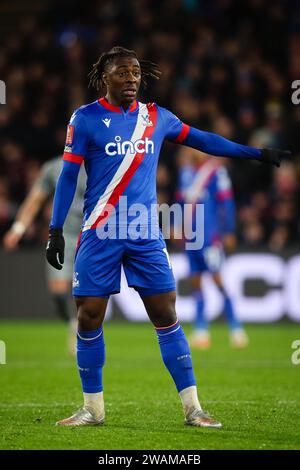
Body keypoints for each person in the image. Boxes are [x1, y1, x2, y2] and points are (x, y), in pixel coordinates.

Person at [45, 46, 289, 428]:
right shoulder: (85, 119)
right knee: (89, 317)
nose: (131, 80)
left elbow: (204, 140)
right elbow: (67, 176)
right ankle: (93, 409)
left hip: (144, 231)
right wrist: (55, 229)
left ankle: (193, 408)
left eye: (136, 74)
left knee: (166, 314)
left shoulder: (156, 118)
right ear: (104, 78)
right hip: (99, 231)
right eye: (123, 74)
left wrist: (255, 153)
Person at [3, 157, 86, 355]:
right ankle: (73, 323)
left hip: (91, 234)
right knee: (58, 292)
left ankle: (83, 331)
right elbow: (36, 199)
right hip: (62, 235)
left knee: (85, 291)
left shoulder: (100, 161)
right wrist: (18, 228)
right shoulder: (53, 167)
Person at [176, 149, 248, 349]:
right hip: (191, 238)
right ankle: (201, 331)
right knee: (196, 282)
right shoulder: (185, 173)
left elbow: (227, 203)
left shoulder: (216, 172)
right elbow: (180, 202)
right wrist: (175, 225)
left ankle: (236, 329)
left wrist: (228, 230)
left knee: (217, 280)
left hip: (210, 236)